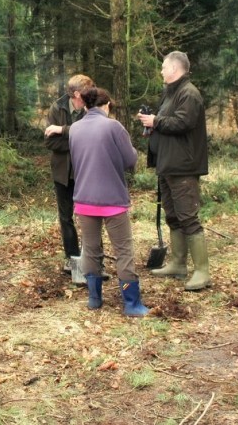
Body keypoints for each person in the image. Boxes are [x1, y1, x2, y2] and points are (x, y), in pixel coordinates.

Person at [69, 87, 148, 317]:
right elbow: (130, 159)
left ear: (86, 105)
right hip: (112, 199)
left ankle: (94, 299)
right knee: (123, 250)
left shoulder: (74, 128)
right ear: (106, 105)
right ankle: (131, 303)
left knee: (90, 250)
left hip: (83, 199)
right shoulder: (113, 126)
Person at [137, 51, 210, 291]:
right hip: (167, 165)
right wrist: (152, 122)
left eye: (163, 67)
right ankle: (178, 263)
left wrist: (155, 121)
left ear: (175, 69)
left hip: (183, 167)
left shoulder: (189, 93)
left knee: (188, 217)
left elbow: (183, 123)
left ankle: (202, 271)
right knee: (173, 215)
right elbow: (167, 122)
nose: (161, 71)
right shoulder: (170, 92)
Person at [44, 74, 94, 274]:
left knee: (90, 216)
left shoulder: (92, 106)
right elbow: (50, 142)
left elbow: (93, 135)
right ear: (76, 95)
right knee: (66, 218)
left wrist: (63, 130)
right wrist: (77, 139)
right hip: (63, 173)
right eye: (86, 93)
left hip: (86, 172)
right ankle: (72, 259)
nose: (90, 96)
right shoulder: (57, 108)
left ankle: (91, 258)